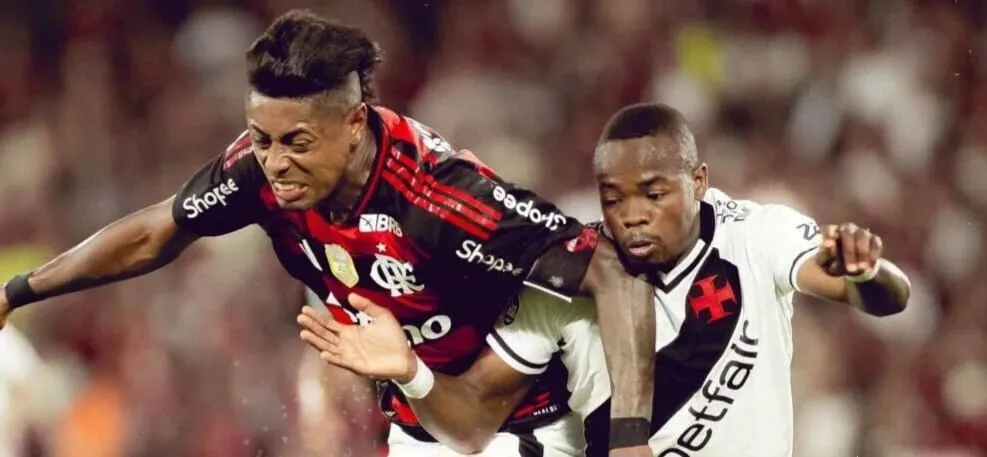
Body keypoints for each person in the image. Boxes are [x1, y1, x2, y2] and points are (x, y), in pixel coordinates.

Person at [0, 11, 658, 457]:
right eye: (261, 139)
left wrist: (630, 433)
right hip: (419, 406)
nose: (275, 163)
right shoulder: (259, 171)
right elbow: (157, 232)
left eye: (296, 142)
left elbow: (613, 269)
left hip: (519, 419)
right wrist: (18, 290)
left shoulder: (440, 203)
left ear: (353, 124)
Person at [296, 102, 912, 456]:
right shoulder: (565, 285)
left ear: (697, 181)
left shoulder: (755, 237)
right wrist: (411, 371)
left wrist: (867, 271)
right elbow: (470, 422)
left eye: (654, 192)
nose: (631, 215)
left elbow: (884, 298)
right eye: (613, 198)